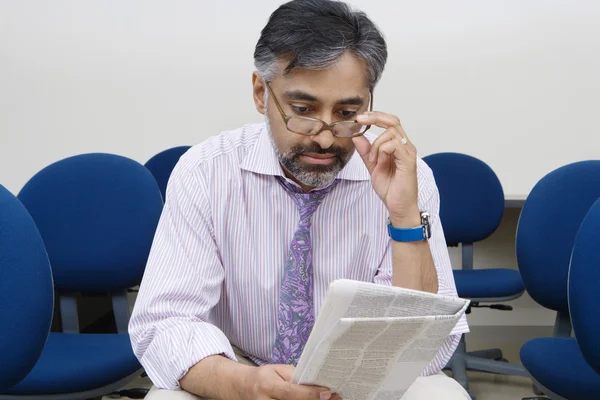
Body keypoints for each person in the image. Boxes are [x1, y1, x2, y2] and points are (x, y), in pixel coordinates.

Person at [129, 0, 470, 398]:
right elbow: (166, 322)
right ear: (261, 93)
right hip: (240, 365)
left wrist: (404, 216)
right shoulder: (205, 171)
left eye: (347, 112)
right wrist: (244, 385)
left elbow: (420, 347)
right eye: (303, 109)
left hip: (362, 374)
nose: (325, 137)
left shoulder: (405, 176)